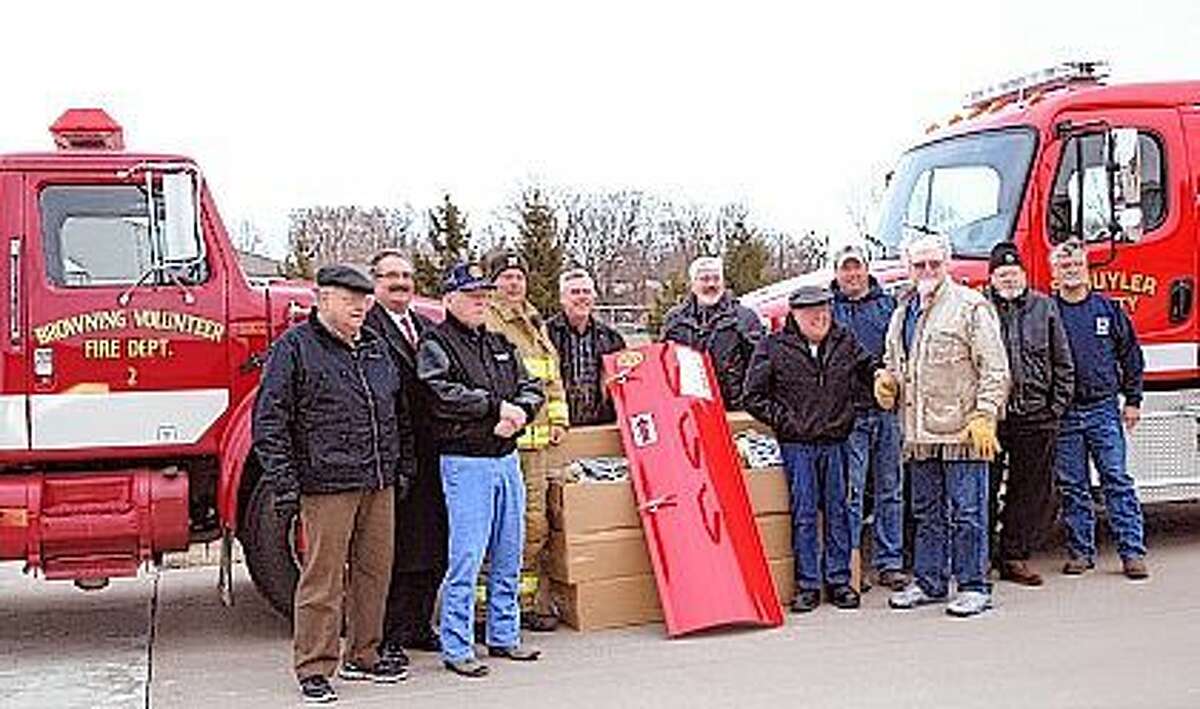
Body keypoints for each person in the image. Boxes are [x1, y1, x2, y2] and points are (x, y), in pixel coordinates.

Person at [253, 264, 413, 703]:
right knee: (322, 580)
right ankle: (314, 667)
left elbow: (397, 413)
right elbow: (270, 420)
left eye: (363, 300)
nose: (359, 307)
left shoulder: (376, 348)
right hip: (326, 485)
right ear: (323, 300)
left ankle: (364, 653)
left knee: (374, 573)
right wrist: (286, 483)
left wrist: (402, 467)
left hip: (378, 480)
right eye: (349, 299)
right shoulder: (295, 348)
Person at [417, 262, 546, 678]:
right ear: (448, 299)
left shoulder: (499, 342)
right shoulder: (435, 343)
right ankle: (457, 646)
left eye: (483, 295)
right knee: (467, 557)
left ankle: (504, 635)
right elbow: (439, 393)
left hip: (506, 459)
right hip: (465, 462)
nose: (480, 301)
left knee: (509, 551)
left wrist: (520, 412)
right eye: (471, 295)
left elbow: (532, 386)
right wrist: (495, 408)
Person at [876, 233, 1010, 618]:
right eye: (919, 264)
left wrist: (985, 414)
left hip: (963, 431)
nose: (927, 270)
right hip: (919, 434)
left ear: (946, 264)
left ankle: (973, 586)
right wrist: (887, 381)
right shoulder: (902, 313)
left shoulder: (971, 307)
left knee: (968, 513)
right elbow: (894, 362)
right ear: (908, 267)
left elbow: (995, 368)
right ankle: (930, 582)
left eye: (934, 263)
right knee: (926, 513)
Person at [743, 285, 875, 613]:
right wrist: (786, 422)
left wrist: (855, 407)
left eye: (825, 310)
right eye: (812, 312)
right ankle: (808, 585)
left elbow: (868, 373)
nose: (820, 317)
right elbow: (753, 396)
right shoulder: (773, 346)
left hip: (836, 442)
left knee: (838, 512)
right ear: (796, 315)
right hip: (797, 445)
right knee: (803, 514)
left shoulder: (845, 341)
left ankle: (839, 580)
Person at [1050, 238, 1149, 580]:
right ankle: (1081, 552)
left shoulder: (1107, 310)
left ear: (1087, 268)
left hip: (1103, 409)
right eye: (1064, 266)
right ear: (1054, 273)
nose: (1072, 271)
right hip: (1065, 414)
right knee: (1072, 486)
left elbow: (1131, 355)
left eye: (1077, 264)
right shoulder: (1048, 312)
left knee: (1116, 480)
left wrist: (1133, 400)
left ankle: (1132, 553)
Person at [483, 249, 570, 632]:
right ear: (492, 282)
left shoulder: (533, 321)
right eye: (506, 277)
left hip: (536, 449)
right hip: (502, 447)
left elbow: (551, 377)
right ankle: (484, 613)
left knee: (534, 527)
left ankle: (522, 604)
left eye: (519, 276)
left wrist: (559, 418)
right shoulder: (488, 321)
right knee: (496, 530)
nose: (514, 283)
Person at [364, 250, 444, 659]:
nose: (400, 283)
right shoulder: (368, 330)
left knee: (432, 544)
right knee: (394, 551)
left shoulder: (427, 328)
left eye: (406, 275)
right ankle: (388, 635)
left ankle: (419, 625)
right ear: (375, 282)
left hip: (432, 451)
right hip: (394, 452)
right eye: (390, 275)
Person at [985, 242, 1075, 586]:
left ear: (1023, 275)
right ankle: (981, 558)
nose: (1009, 279)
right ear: (992, 279)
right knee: (984, 489)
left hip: (1035, 415)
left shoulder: (1044, 307)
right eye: (1002, 273)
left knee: (1028, 492)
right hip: (991, 417)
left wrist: (1055, 408)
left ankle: (1015, 557)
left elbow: (1063, 361)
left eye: (1014, 272)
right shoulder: (978, 309)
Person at [829, 244, 906, 591]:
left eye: (856, 267)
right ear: (836, 273)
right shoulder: (827, 309)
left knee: (891, 489)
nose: (852, 274)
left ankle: (890, 563)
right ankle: (852, 563)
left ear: (866, 269)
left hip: (886, 412)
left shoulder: (888, 306)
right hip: (849, 415)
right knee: (852, 492)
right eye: (845, 269)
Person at [661, 255, 764, 410]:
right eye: (705, 279)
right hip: (690, 407)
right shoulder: (675, 320)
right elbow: (666, 363)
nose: (711, 284)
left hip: (734, 409)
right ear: (693, 284)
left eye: (716, 279)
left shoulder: (745, 318)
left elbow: (760, 365)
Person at [546, 268, 627, 426]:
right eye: (575, 292)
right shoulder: (545, 336)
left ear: (594, 297)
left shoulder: (612, 339)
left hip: (602, 425)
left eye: (587, 292)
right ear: (562, 298)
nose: (582, 297)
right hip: (559, 425)